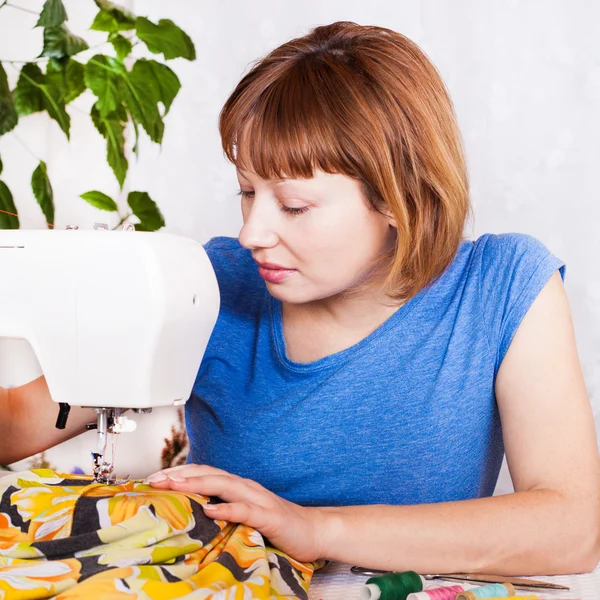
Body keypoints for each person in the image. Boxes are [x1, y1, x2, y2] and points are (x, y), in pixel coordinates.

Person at [1, 21, 599, 577]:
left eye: (293, 206)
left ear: (401, 195)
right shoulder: (211, 286)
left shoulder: (500, 286)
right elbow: (16, 427)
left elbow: (572, 530)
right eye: (246, 193)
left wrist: (318, 528)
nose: (251, 233)